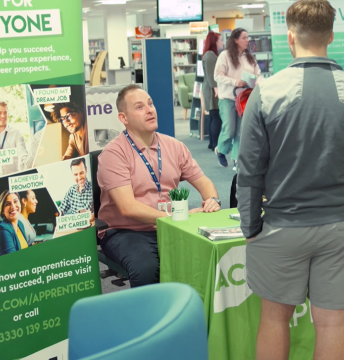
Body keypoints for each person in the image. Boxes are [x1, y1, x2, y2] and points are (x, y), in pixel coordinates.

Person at [238, 0, 344, 360]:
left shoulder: (267, 92)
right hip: (343, 226)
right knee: (333, 325)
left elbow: (250, 170)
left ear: (291, 38)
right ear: (332, 35)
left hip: (281, 226)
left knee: (274, 321)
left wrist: (250, 226)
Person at [97, 85, 222, 287]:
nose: (149, 110)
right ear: (124, 118)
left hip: (173, 225)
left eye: (150, 104)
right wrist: (176, 217)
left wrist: (212, 200)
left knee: (209, 256)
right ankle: (150, 318)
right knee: (147, 269)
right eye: (139, 107)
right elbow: (127, 207)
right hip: (126, 230)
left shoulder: (174, 146)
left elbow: (204, 182)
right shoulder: (113, 154)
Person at [214, 28, 261, 169]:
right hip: (228, 98)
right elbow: (217, 76)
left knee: (241, 131)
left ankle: (237, 160)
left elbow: (258, 74)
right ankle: (221, 150)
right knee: (230, 129)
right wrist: (235, 82)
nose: (247, 40)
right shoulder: (225, 56)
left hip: (244, 98)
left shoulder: (249, 57)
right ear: (236, 40)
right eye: (244, 38)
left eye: (248, 38)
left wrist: (257, 82)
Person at [0, 101, 29, 174]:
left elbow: (22, 151)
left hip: (12, 177)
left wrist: (24, 158)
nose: (3, 116)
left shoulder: (16, 133)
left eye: (5, 113)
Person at [202, 31, 223, 151]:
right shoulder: (210, 55)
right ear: (215, 42)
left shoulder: (210, 54)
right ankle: (215, 144)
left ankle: (212, 142)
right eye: (220, 40)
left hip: (210, 88)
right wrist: (216, 90)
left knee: (212, 117)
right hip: (212, 89)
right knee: (216, 117)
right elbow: (211, 75)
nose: (222, 42)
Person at [0, 190, 33, 255]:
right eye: (8, 204)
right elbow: (12, 261)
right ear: (2, 210)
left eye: (15, 201)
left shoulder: (20, 224)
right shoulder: (3, 230)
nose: (13, 207)